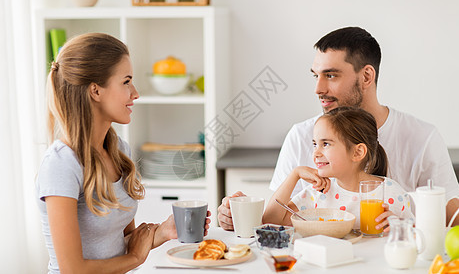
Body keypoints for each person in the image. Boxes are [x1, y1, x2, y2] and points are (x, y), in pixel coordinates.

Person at [218, 27, 459, 230]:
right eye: (316, 76)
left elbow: (452, 221)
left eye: (331, 75)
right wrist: (232, 217)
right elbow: (275, 220)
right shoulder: (301, 135)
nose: (318, 89)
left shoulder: (422, 137)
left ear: (366, 77)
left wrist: (403, 225)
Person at [35, 33, 210, 273]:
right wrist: (136, 259)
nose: (135, 93)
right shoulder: (62, 164)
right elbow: (73, 270)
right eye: (126, 81)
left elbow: (123, 246)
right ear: (95, 91)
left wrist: (165, 231)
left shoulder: (119, 153)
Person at [262, 107, 414, 231]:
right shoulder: (319, 193)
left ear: (357, 152)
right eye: (315, 144)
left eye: (326, 144)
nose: (316, 153)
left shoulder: (391, 193)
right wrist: (294, 174)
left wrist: (397, 226)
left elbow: (415, 235)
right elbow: (270, 221)